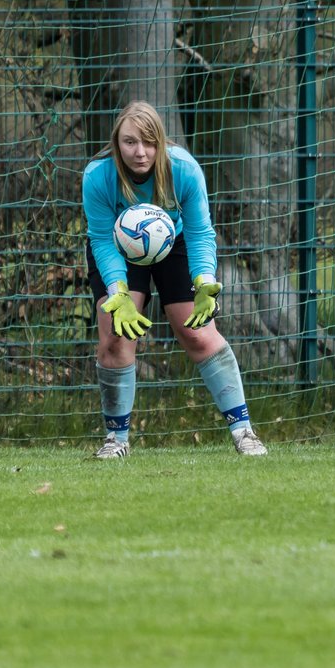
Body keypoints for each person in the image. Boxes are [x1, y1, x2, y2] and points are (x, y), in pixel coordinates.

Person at [82, 100, 267, 458]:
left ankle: (244, 432)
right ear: (117, 142)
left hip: (176, 242)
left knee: (197, 331)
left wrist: (204, 281)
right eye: (131, 142)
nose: (140, 152)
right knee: (115, 336)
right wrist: (117, 291)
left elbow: (200, 232)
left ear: (161, 143)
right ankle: (116, 441)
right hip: (118, 250)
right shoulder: (97, 176)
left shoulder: (183, 168)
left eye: (149, 143)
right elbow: (102, 240)